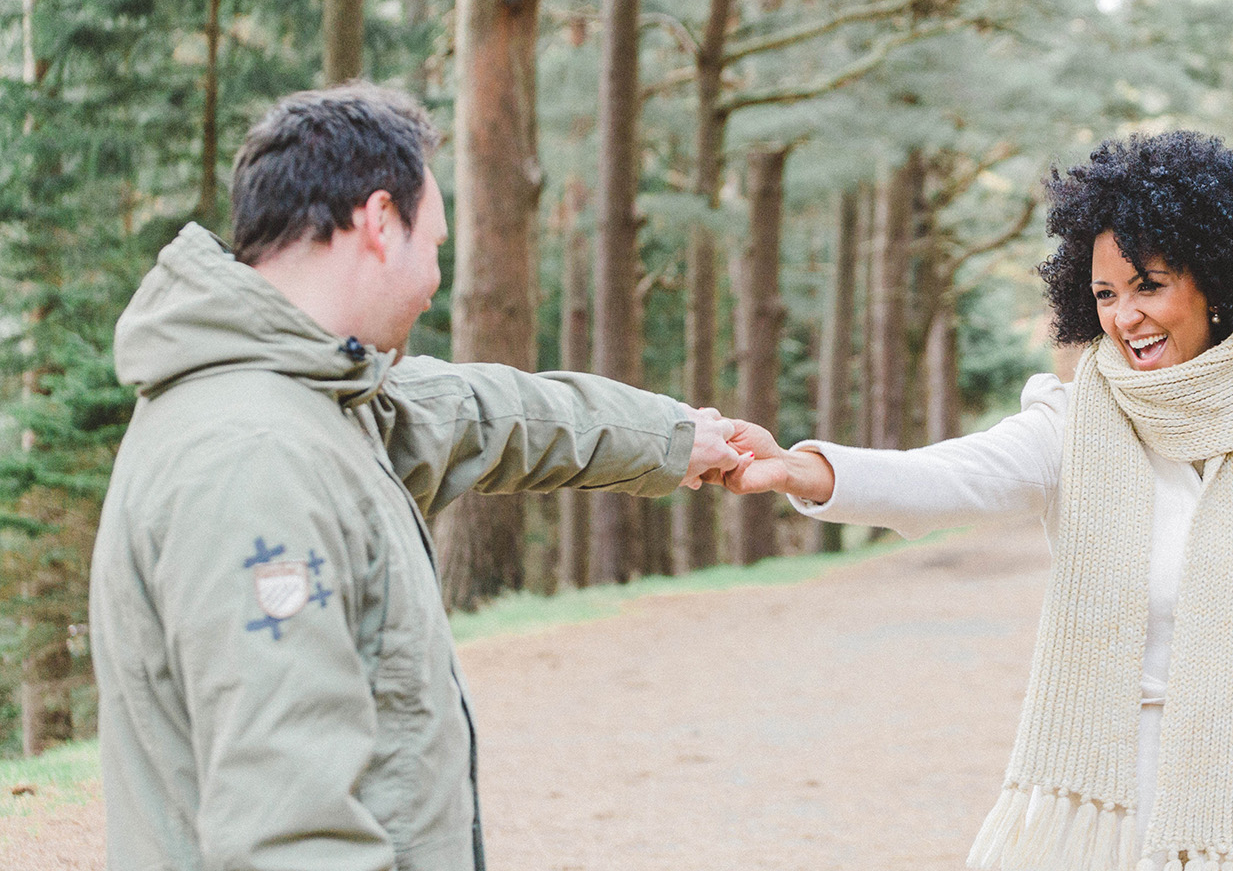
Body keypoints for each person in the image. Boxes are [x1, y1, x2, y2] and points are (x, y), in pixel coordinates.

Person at [723, 132, 1233, 871]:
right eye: (1106, 294)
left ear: (1217, 281)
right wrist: (804, 471)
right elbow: (948, 478)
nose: (1125, 318)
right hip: (1111, 807)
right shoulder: (1074, 425)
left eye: (1148, 285)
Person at [88, 83, 746, 871]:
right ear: (376, 222)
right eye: (434, 243)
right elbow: (290, 831)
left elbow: (488, 415)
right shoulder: (258, 459)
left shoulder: (321, 401)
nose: (437, 278)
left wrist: (677, 438)